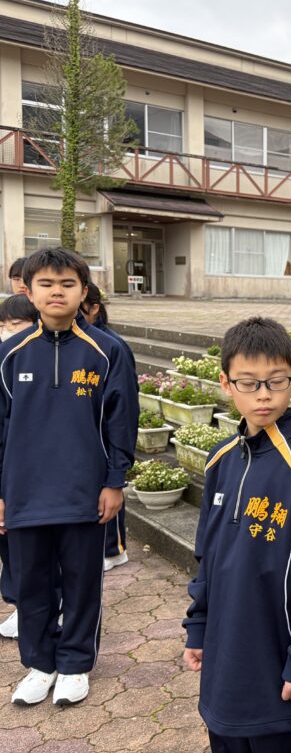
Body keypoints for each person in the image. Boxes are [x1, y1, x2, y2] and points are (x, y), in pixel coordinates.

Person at [183, 316, 291, 753]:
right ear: (226, 384)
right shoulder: (220, 459)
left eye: (276, 381)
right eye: (249, 383)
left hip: (283, 673)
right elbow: (207, 554)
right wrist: (198, 627)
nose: (263, 394)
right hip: (225, 670)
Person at [0, 248, 138, 706]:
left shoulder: (108, 351)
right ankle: (41, 664)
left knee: (82, 583)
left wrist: (114, 481)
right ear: (29, 291)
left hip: (85, 492)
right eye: (46, 284)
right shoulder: (9, 355)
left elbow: (122, 422)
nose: (56, 292)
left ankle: (76, 662)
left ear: (83, 292)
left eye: (67, 284)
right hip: (24, 494)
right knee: (30, 585)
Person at [81, 282, 135, 571]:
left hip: (105, 433)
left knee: (108, 492)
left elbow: (124, 405)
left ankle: (114, 549)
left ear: (94, 309)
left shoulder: (111, 346)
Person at [0, 294, 39, 639]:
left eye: (16, 325)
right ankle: (19, 605)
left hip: (34, 475)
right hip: (7, 473)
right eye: (3, 326)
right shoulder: (5, 360)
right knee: (10, 547)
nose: (8, 331)